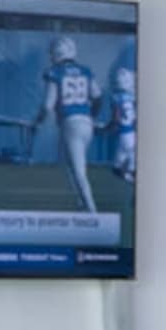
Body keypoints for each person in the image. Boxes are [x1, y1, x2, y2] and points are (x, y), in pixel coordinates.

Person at [33, 33, 100, 213]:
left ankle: (91, 210)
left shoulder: (55, 72)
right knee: (67, 162)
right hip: (86, 122)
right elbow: (97, 96)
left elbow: (48, 104)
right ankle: (81, 202)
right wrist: (92, 117)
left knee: (78, 170)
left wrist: (38, 121)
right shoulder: (86, 70)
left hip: (71, 123)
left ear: (56, 53)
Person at [110, 59, 136, 188]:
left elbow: (116, 117)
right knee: (124, 169)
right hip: (132, 134)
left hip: (124, 135)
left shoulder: (116, 98)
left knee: (119, 169)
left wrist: (108, 127)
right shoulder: (133, 98)